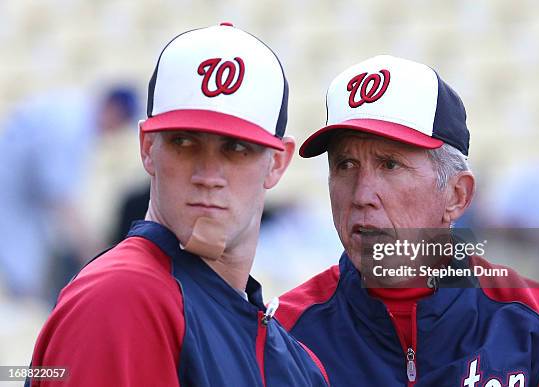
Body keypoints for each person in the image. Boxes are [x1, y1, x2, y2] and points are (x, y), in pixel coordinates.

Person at [275, 56, 539, 386]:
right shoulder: (281, 336)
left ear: (457, 196)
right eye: (345, 165)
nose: (362, 194)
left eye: (390, 165)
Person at [27, 23, 329, 387]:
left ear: (278, 163)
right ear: (147, 148)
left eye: (236, 148)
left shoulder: (296, 358)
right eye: (184, 142)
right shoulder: (124, 298)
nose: (208, 174)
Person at [0, 86, 137, 300]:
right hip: (11, 201)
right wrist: (95, 254)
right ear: (113, 110)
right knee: (22, 284)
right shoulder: (70, 123)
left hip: (23, 202)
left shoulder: (75, 113)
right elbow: (61, 197)